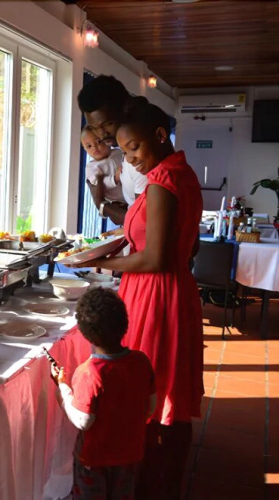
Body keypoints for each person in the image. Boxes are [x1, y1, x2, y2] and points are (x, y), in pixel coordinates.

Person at [74, 99, 204, 499]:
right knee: (168, 393)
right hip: (171, 288)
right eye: (125, 150)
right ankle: (164, 481)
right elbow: (189, 247)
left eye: (134, 149)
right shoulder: (180, 172)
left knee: (153, 391)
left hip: (156, 295)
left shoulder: (163, 180)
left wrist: (102, 263)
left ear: (160, 136)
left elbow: (154, 258)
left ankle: (152, 483)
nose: (130, 159)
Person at [51, 287, 156, 500]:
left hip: (94, 460)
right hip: (129, 456)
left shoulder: (88, 373)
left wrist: (63, 390)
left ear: (85, 332)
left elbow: (83, 421)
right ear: (124, 324)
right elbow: (150, 408)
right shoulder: (141, 362)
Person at [77, 75, 149, 226]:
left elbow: (141, 223)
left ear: (125, 110)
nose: (102, 134)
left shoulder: (141, 159)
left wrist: (100, 203)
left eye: (108, 124)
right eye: (94, 128)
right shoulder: (122, 154)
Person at [81, 125, 126, 218]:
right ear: (85, 149)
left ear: (107, 141)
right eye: (89, 146)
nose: (94, 147)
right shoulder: (92, 167)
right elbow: (98, 183)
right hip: (119, 201)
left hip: (132, 190)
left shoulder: (117, 152)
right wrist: (114, 179)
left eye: (98, 141)